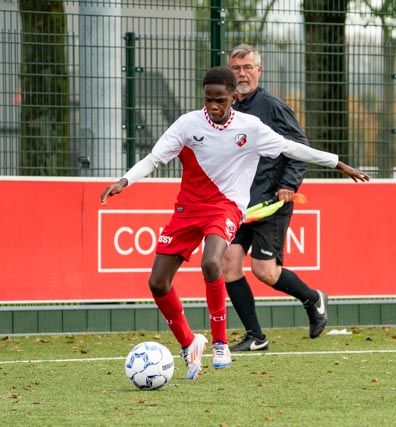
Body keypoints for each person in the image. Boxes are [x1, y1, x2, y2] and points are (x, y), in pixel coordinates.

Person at [100, 66, 370, 380]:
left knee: (212, 261)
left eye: (220, 100)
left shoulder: (250, 127)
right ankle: (190, 344)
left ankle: (220, 342)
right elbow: (154, 158)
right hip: (188, 208)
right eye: (208, 100)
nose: (213, 106)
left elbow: (291, 147)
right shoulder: (188, 124)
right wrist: (125, 180)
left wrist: (337, 163)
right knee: (157, 283)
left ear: (233, 98)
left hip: (225, 206)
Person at [222, 44, 326, 351]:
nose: (241, 74)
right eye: (236, 68)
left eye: (247, 68)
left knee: (264, 271)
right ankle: (256, 338)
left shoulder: (272, 106)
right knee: (228, 263)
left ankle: (313, 298)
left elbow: (300, 146)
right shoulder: (227, 108)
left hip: (271, 202)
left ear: (258, 71)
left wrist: (288, 183)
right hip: (239, 203)